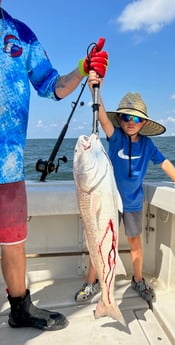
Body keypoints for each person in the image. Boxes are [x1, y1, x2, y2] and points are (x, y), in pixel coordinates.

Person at [0, 2, 108, 331]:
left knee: (13, 241)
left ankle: (19, 308)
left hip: (9, 164)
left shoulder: (20, 33)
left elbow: (51, 85)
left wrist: (82, 67)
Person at [75, 70, 175, 305]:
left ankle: (138, 279)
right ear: (119, 119)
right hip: (108, 202)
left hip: (132, 203)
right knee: (99, 243)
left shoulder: (148, 144)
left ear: (143, 123)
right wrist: (96, 90)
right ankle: (91, 282)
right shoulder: (115, 138)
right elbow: (101, 117)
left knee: (136, 247)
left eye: (136, 119)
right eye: (125, 117)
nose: (130, 123)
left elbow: (164, 162)